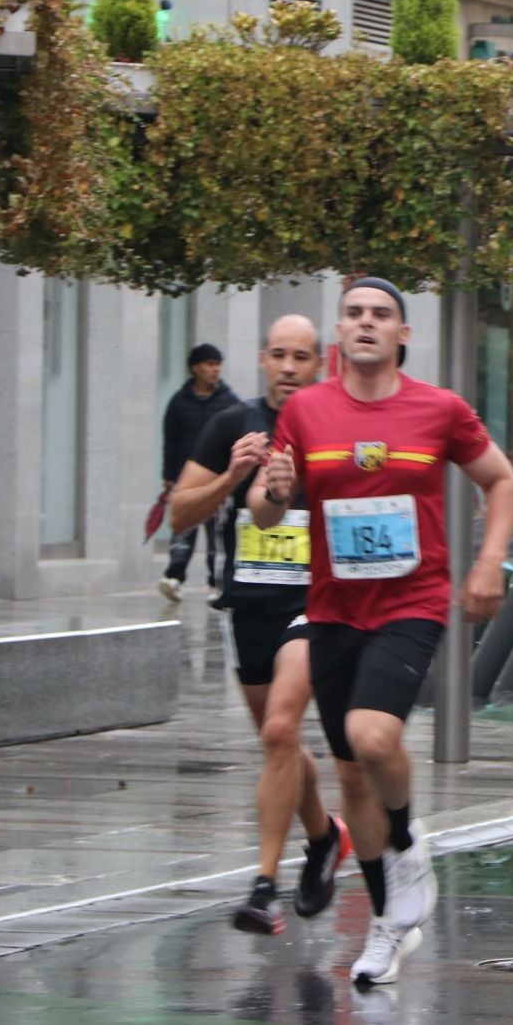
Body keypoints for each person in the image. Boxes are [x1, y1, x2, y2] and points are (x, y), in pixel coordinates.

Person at [252, 279, 513, 985]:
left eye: (381, 315)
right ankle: (385, 924)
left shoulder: (439, 409)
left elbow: (502, 482)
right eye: (354, 314)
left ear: (404, 333)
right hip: (335, 608)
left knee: (375, 737)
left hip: (413, 600)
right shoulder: (307, 411)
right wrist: (273, 491)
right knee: (349, 774)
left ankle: (407, 840)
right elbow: (266, 513)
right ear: (338, 332)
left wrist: (489, 562)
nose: (366, 324)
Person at [169, 316, 348, 935]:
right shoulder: (231, 424)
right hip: (248, 605)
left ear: (321, 362)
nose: (290, 367)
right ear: (263, 360)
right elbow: (178, 516)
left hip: (316, 602)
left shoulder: (334, 422)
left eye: (302, 355)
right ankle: (324, 838)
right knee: (281, 745)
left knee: (279, 730)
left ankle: (263, 885)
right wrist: (230, 478)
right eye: (279, 355)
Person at [160, 342, 239, 600]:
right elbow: (170, 442)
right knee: (183, 530)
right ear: (196, 368)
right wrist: (170, 477)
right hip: (186, 480)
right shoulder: (179, 402)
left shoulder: (229, 401)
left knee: (218, 535)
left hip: (218, 481)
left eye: (218, 365)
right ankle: (174, 578)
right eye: (210, 364)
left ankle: (217, 585)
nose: (215, 370)